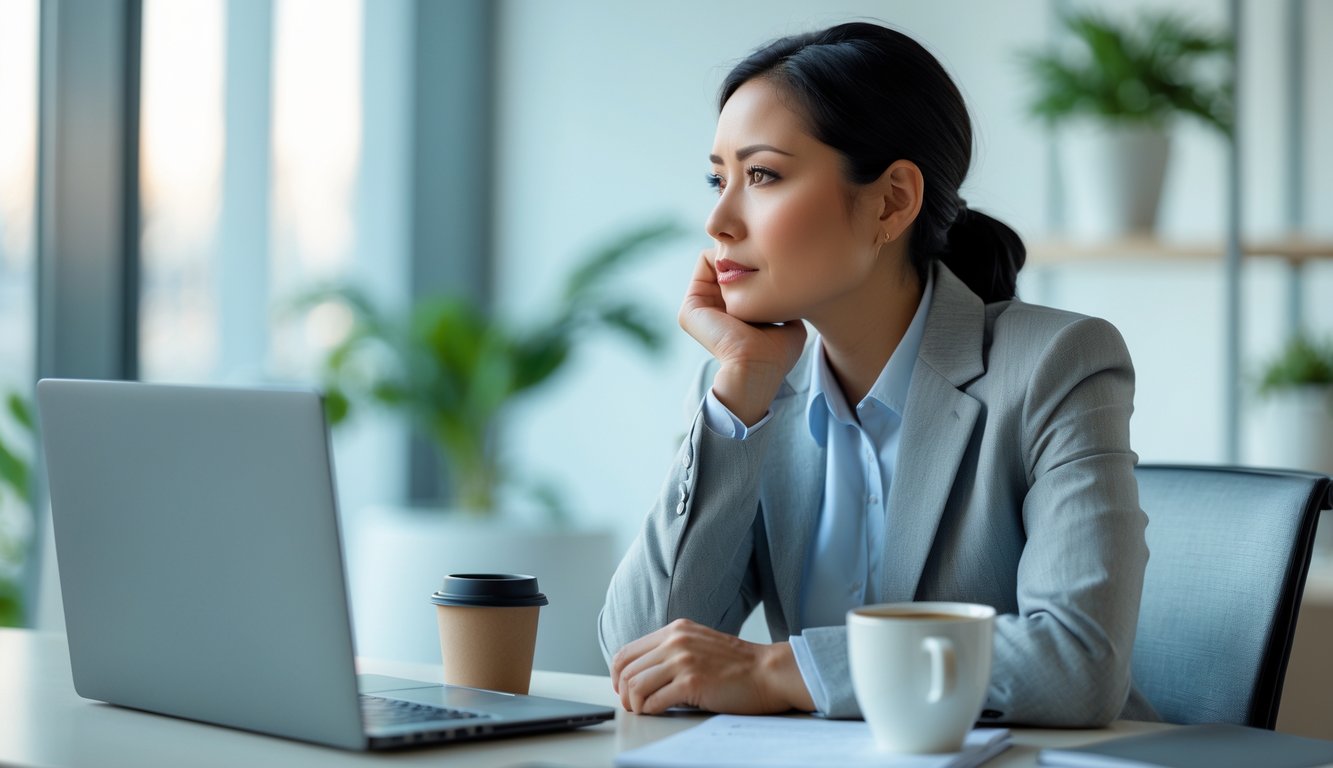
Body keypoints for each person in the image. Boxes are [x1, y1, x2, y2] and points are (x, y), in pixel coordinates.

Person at [597, 21, 1157, 727]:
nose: (718, 220)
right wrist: (738, 391)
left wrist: (782, 668)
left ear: (892, 200)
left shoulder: (1056, 364)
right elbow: (639, 655)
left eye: (762, 175)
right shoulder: (752, 391)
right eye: (718, 178)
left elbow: (1074, 664)